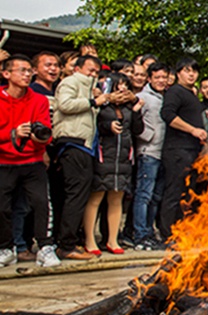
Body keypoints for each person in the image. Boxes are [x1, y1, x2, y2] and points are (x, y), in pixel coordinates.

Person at [52, 55, 127, 260]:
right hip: (72, 142)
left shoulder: (89, 88)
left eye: (96, 71)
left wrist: (95, 97)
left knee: (81, 193)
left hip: (85, 145)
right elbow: (65, 105)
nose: (93, 75)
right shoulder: (70, 82)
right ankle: (66, 244)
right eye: (89, 70)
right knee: (76, 194)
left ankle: (69, 241)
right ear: (77, 69)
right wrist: (94, 100)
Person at [0, 54, 60, 268]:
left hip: (32, 160)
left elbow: (46, 132)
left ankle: (45, 247)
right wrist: (13, 133)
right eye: (22, 70)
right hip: (4, 161)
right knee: (2, 208)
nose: (27, 75)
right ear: (6, 74)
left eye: (29, 71)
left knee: (42, 203)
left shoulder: (39, 100)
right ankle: (6, 248)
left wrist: (38, 138)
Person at [82, 73, 143, 255]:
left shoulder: (129, 107)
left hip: (123, 158)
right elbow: (94, 125)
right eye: (119, 85)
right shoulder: (103, 105)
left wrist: (136, 110)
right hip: (103, 156)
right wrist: (108, 127)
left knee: (116, 199)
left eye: (125, 85)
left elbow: (138, 130)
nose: (122, 89)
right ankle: (90, 240)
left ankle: (113, 240)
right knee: (96, 198)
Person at [158, 57, 208, 241]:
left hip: (192, 150)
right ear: (178, 73)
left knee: (186, 193)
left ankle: (180, 232)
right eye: (187, 70)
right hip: (177, 150)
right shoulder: (175, 92)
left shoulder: (191, 94)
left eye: (194, 71)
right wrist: (193, 130)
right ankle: (167, 234)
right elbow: (167, 115)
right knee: (174, 191)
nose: (191, 74)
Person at [134, 62, 169, 250]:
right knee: (144, 195)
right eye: (157, 77)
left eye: (164, 77)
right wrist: (148, 137)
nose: (161, 81)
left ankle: (150, 232)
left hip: (163, 152)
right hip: (148, 152)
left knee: (156, 196)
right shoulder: (142, 97)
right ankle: (140, 234)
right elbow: (134, 122)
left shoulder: (167, 97)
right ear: (149, 79)